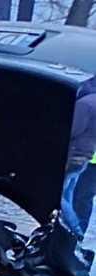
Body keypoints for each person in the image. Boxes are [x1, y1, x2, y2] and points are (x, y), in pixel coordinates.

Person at [62, 78, 96, 237]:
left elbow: (73, 130)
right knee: (75, 196)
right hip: (87, 156)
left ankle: (74, 230)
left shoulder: (86, 103)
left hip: (78, 155)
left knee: (65, 196)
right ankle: (72, 232)